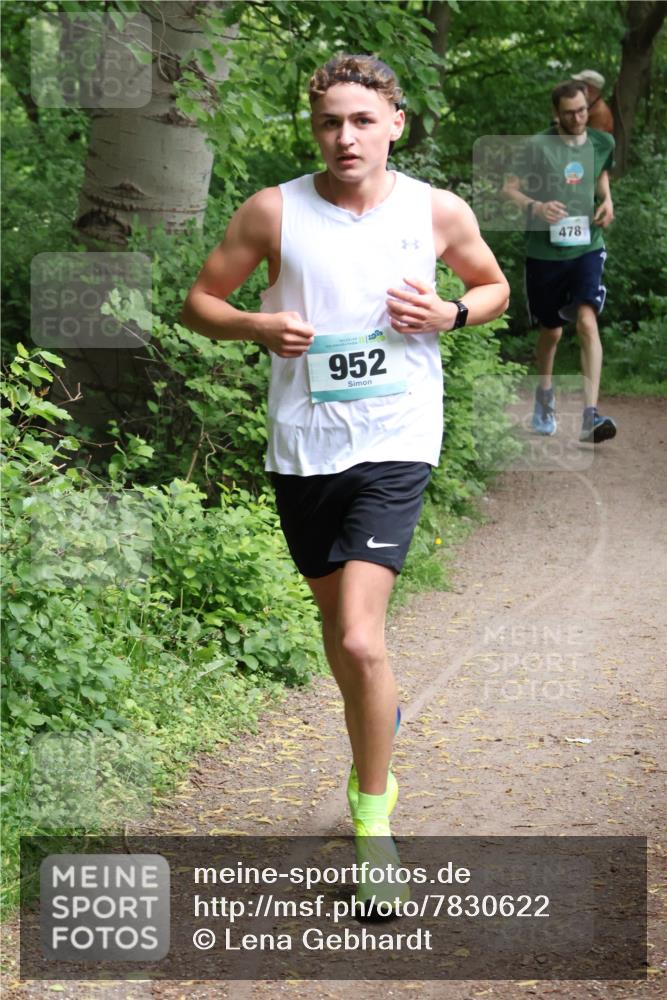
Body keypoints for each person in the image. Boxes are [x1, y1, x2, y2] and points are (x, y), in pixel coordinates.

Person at [181, 54, 509, 905]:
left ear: (396, 122)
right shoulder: (273, 211)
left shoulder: (434, 210)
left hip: (398, 438)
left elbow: (493, 285)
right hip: (303, 446)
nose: (345, 136)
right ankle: (374, 722)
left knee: (362, 638)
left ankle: (374, 819)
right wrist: (255, 324)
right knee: (339, 630)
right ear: (314, 128)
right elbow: (200, 304)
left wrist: (451, 314)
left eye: (362, 120)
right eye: (330, 121)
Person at [503, 80, 616, 443]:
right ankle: (545, 396)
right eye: (570, 112)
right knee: (551, 331)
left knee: (586, 319)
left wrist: (607, 201)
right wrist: (536, 207)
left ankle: (590, 415)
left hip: (586, 246)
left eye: (583, 109)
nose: (579, 117)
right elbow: (509, 188)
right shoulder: (537, 146)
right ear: (557, 114)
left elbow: (600, 173)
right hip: (545, 252)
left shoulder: (602, 142)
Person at [572, 69, 614, 134]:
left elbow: (593, 142)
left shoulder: (600, 113)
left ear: (589, 88)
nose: (574, 86)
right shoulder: (590, 104)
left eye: (578, 84)